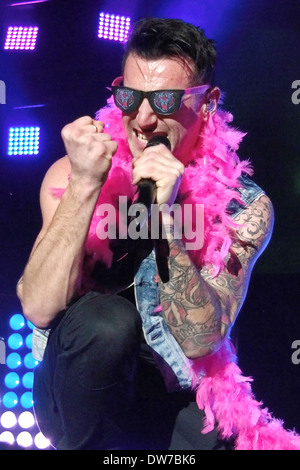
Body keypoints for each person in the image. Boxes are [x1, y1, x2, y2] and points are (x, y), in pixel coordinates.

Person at [17, 17, 287, 450]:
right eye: (129, 97)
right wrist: (85, 185)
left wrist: (165, 218)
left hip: (175, 385)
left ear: (207, 102)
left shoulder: (245, 206)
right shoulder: (74, 172)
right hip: (78, 386)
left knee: (212, 436)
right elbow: (39, 307)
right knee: (108, 323)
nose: (142, 119)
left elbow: (202, 341)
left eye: (163, 100)